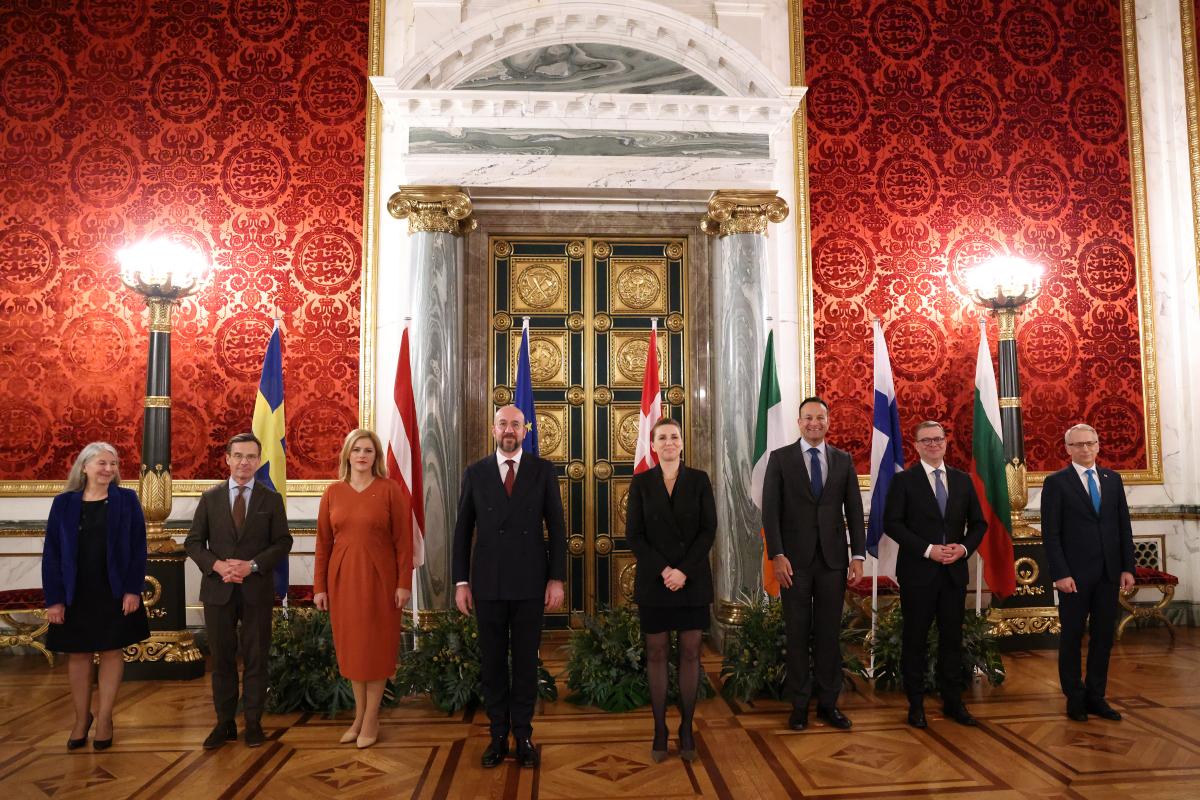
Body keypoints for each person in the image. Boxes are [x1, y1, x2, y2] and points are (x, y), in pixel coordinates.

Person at [452, 404, 566, 769]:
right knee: (493, 666)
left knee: (526, 665)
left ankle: (525, 735)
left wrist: (556, 578)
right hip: (487, 584)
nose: (508, 430)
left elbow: (558, 528)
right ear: (493, 429)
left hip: (531, 582)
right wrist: (461, 582)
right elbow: (462, 532)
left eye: (515, 424)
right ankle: (498, 735)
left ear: (525, 430)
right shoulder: (476, 472)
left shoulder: (542, 471)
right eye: (503, 424)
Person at [762, 397, 865, 731]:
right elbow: (770, 512)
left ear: (828, 422)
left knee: (828, 635)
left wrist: (858, 556)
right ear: (799, 422)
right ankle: (799, 705)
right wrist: (776, 555)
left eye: (820, 418)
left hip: (833, 562)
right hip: (793, 562)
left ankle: (828, 704)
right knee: (796, 633)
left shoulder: (843, 460)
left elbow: (853, 511)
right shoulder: (780, 459)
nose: (814, 423)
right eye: (808, 418)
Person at [185, 432, 292, 750]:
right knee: (222, 660)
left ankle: (254, 723)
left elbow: (283, 542)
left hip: (255, 590)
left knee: (257, 659)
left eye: (251, 457)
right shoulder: (210, 498)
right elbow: (193, 542)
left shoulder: (270, 499)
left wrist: (253, 566)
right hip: (218, 591)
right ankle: (225, 723)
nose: (244, 462)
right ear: (228, 459)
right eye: (239, 456)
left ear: (258, 461)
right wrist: (218, 566)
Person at [42, 442, 150, 751]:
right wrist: (54, 599)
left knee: (113, 651)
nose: (108, 469)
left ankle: (104, 719)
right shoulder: (64, 503)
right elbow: (52, 553)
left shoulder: (126, 500)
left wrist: (132, 590)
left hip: (114, 592)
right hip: (75, 592)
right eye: (102, 463)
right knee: (78, 654)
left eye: (113, 464)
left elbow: (137, 549)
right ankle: (80, 719)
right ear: (84, 466)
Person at [883, 421, 986, 728]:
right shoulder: (904, 481)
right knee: (914, 641)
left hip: (954, 575)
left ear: (945, 442)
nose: (932, 444)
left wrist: (963, 549)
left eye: (937, 439)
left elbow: (979, 524)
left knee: (951, 641)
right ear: (915, 445)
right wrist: (928, 549)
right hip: (918, 573)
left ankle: (953, 702)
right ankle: (916, 706)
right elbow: (893, 523)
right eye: (925, 440)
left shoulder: (962, 480)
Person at [314, 429, 413, 748]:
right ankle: (359, 716)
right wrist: (319, 588)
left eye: (368, 450)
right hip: (342, 581)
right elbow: (322, 544)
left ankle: (372, 718)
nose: (362, 455)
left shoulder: (389, 490)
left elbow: (403, 543)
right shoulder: (332, 492)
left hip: (381, 581)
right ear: (347, 454)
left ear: (376, 457)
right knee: (353, 650)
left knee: (377, 648)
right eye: (356, 449)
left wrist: (403, 584)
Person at [625, 417, 716, 762]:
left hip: (692, 581)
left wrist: (683, 571)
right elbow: (634, 536)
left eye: (674, 436)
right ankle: (660, 728)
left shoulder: (699, 480)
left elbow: (708, 530)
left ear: (682, 442)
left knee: (691, 653)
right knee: (657, 653)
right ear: (652, 444)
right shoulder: (642, 483)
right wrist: (665, 570)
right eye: (661, 437)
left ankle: (687, 728)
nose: (668, 442)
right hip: (655, 581)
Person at [1041, 423, 1135, 723]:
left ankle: (1097, 696)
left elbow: (1123, 527)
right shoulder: (1056, 483)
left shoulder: (1112, 479)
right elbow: (1051, 534)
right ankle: (1075, 697)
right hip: (1074, 577)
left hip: (1109, 573)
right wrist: (1060, 574)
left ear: (1098, 445)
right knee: (1071, 637)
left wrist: (1127, 567)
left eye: (1090, 443)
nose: (1085, 449)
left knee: (1103, 638)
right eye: (1078, 444)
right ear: (1067, 449)